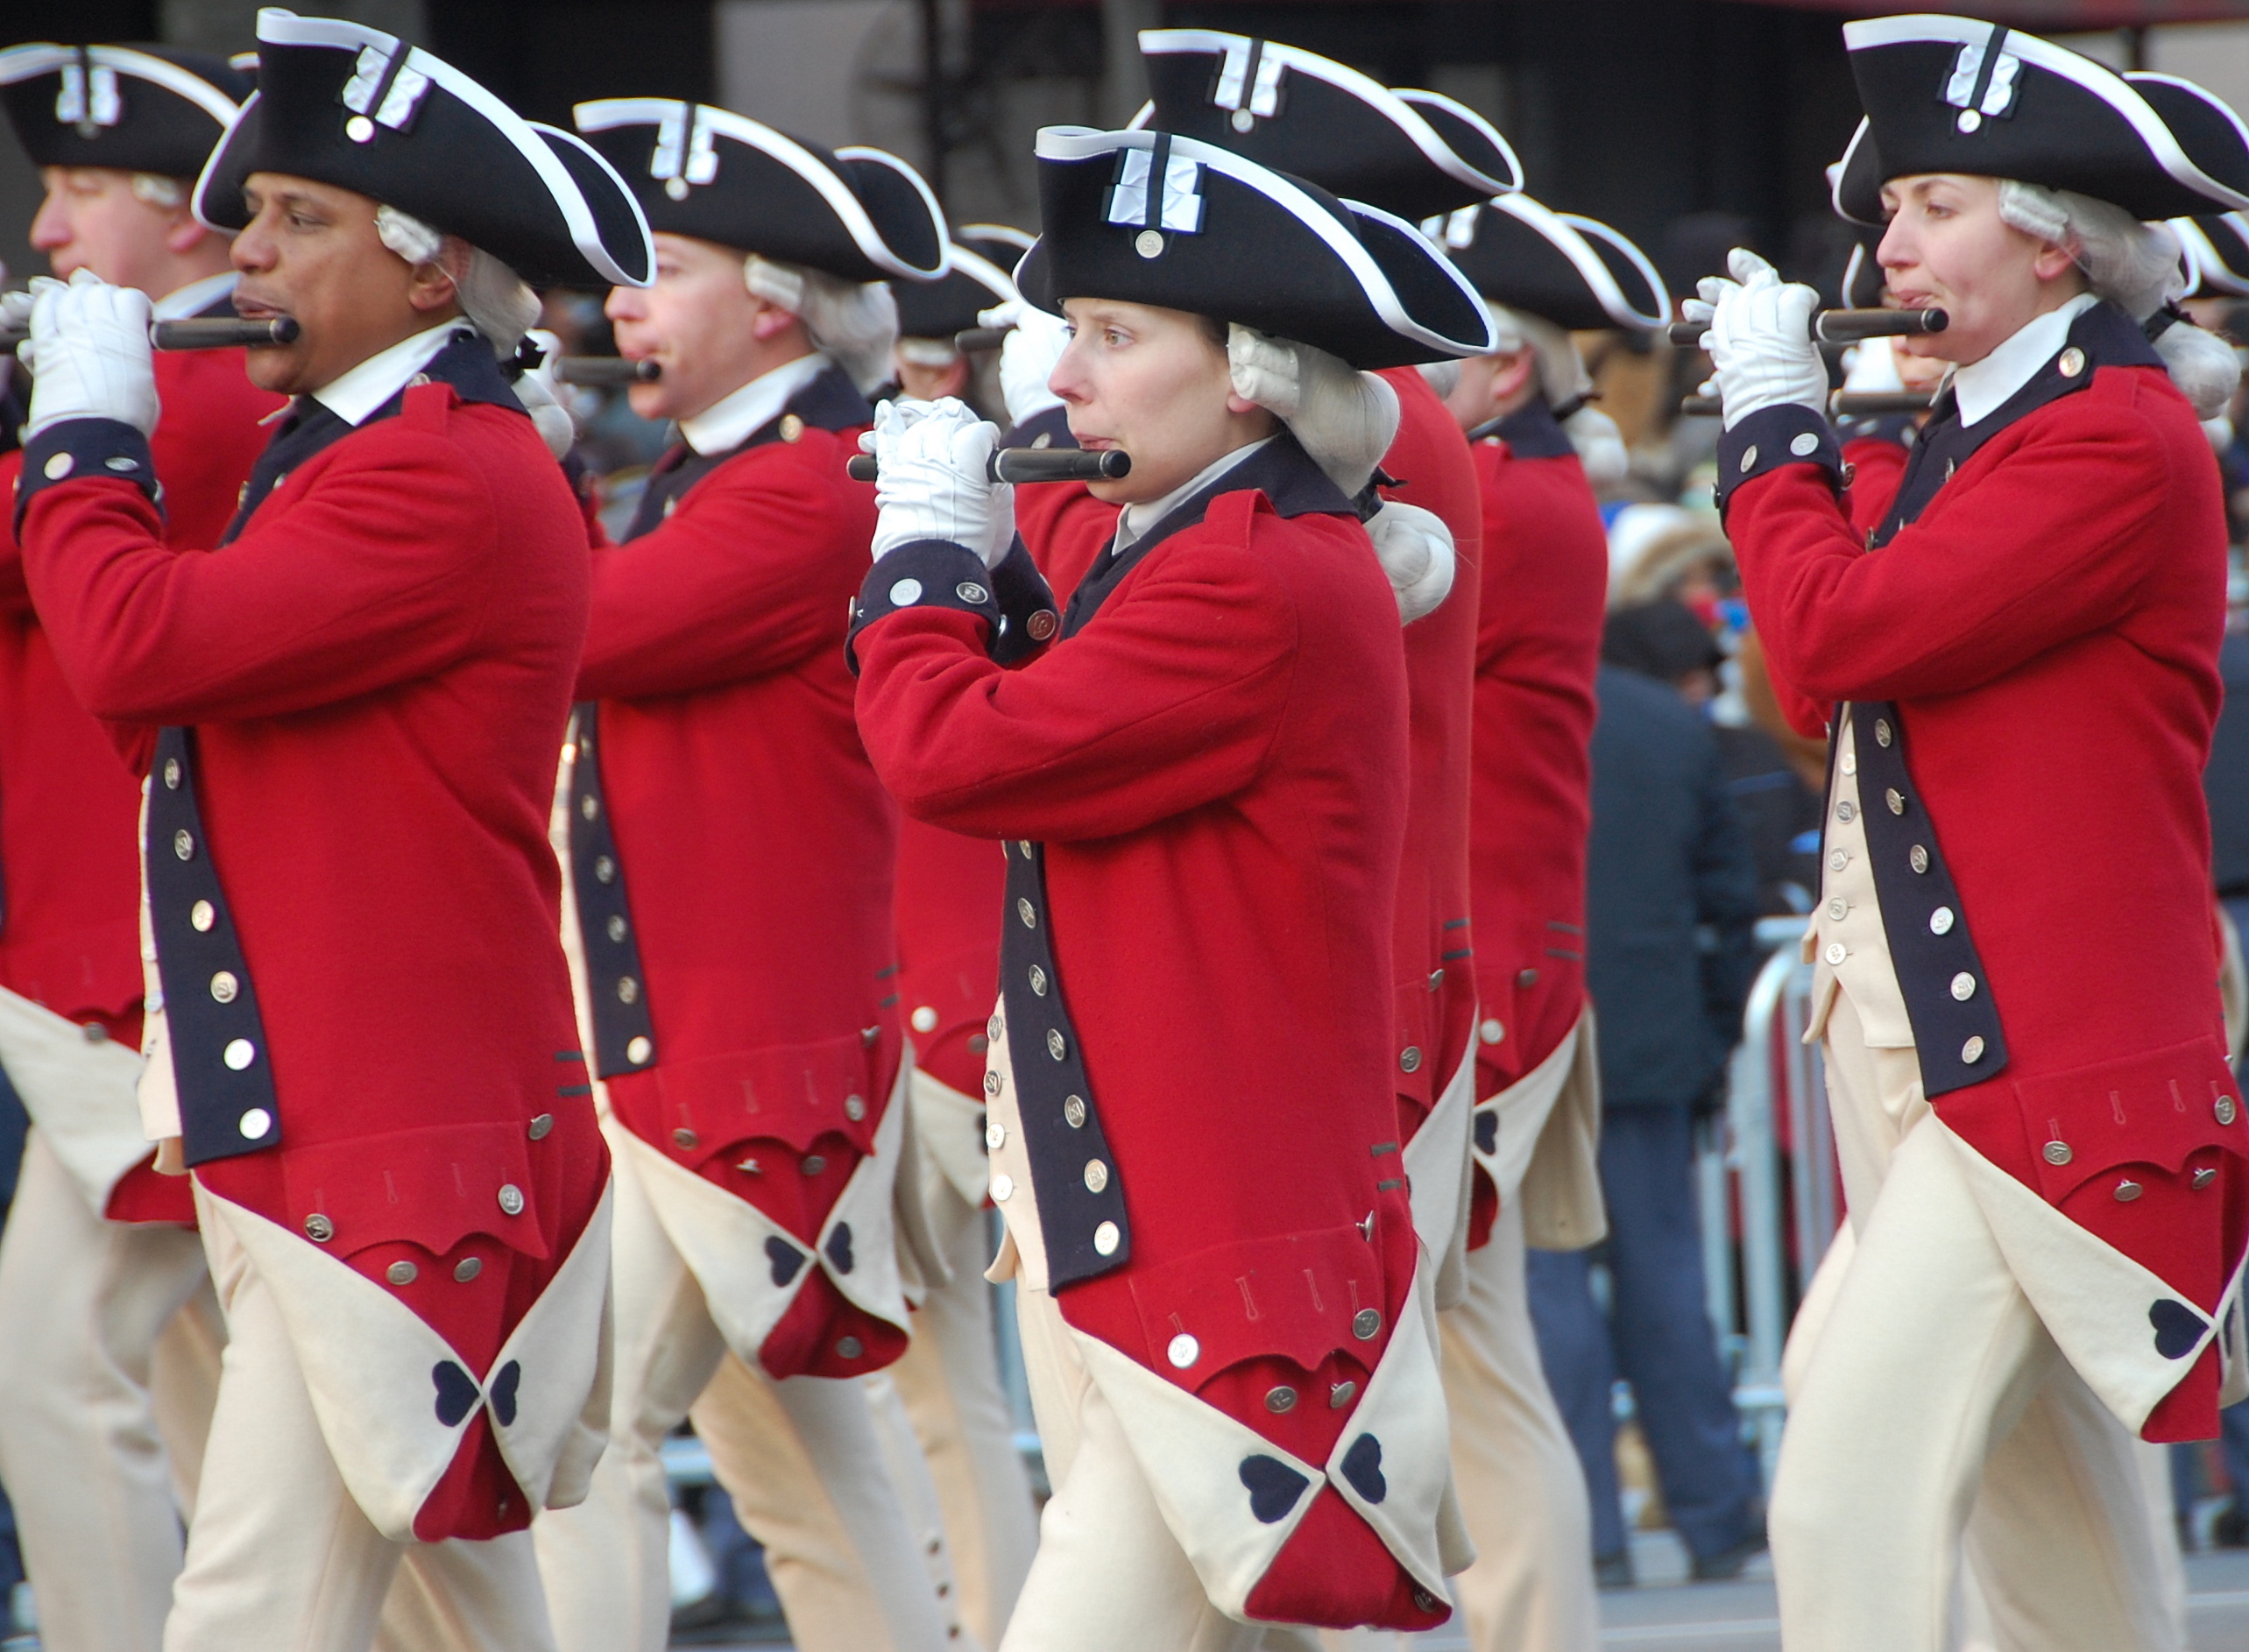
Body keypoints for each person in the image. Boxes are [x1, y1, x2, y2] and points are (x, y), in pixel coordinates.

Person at [11, 11, 653, 1648]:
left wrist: (84, 438)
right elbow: (161, 705)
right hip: (334, 1118)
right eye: (253, 214)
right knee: (456, 1605)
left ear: (431, 269)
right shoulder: (351, 454)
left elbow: (138, 648)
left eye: (301, 220)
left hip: (383, 1138)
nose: (246, 251)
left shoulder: (435, 471)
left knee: (250, 1607)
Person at [850, 120, 1493, 1648]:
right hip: (1159, 1212)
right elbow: (1080, 702)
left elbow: (951, 749)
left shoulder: (1251, 565)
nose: (1061, 379)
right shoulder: (1202, 542)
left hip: (1217, 1233)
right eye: (1075, 333)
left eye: (1113, 336)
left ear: (1251, 372)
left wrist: (925, 552)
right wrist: (996, 564)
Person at [1691, 17, 2249, 1648]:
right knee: (2055, 1539)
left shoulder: (2107, 434)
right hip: (1945, 1041)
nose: (1886, 240)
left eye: (1930, 199)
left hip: (2048, 1062)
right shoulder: (1989, 426)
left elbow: (1831, 642)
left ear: (2051, 240)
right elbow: (1843, 653)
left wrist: (1769, 430)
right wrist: (1846, 417)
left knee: (1840, 1476)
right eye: (1891, 209)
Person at [538, 95, 970, 1652]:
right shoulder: (718, 478)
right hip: (686, 1050)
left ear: (776, 302)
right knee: (803, 1469)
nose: (617, 305)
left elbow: (563, 632)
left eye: (662, 267)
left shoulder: (808, 485)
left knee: (563, 1441)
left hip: (724, 1064)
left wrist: (497, 466)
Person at [0, 41, 277, 1652]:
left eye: (85, 191)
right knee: (236, 1409)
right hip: (112, 973)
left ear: (189, 222)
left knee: (64, 1362)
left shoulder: (201, 395)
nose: (46, 233)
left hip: (146, 972)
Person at [1429, 185, 1680, 1631]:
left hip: (1481, 982)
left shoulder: (1499, 501)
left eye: (1420, 358)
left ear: (1504, 368)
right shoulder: (1501, 489)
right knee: (1478, 1361)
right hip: (1487, 973)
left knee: (1434, 1362)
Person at [1525, 600, 1765, 1589]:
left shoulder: (1491, 704)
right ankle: (1714, 1514)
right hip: (1650, 1041)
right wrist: (1707, 1037)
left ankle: (1583, 1527)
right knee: (1666, 1285)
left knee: (1545, 1298)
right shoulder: (1671, 725)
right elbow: (1727, 898)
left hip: (1528, 1037)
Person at [885, 218, 1047, 1650]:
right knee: (942, 1394)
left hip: (960, 989)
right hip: (893, 989)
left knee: (998, 1390)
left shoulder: (985, 507)